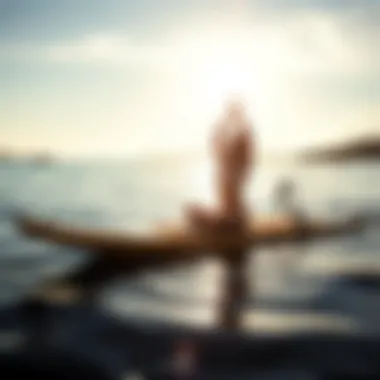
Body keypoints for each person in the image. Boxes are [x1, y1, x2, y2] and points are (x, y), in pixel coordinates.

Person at [185, 100, 255, 330]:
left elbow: (244, 152)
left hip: (235, 224)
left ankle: (212, 232)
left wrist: (237, 121)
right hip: (228, 217)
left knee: (198, 215)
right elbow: (215, 145)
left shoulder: (238, 161)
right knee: (192, 209)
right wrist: (223, 124)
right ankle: (209, 229)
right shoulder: (224, 166)